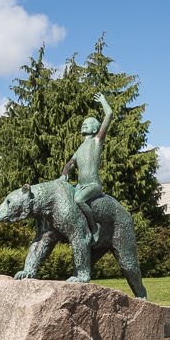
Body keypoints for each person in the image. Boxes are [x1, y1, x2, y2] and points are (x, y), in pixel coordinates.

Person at [61, 92, 113, 244]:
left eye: (88, 123)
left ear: (95, 129)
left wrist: (103, 100)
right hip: (80, 185)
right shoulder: (80, 147)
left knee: (78, 199)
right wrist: (64, 174)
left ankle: (94, 228)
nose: (84, 124)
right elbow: (70, 163)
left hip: (93, 185)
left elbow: (109, 114)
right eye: (83, 123)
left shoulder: (97, 141)